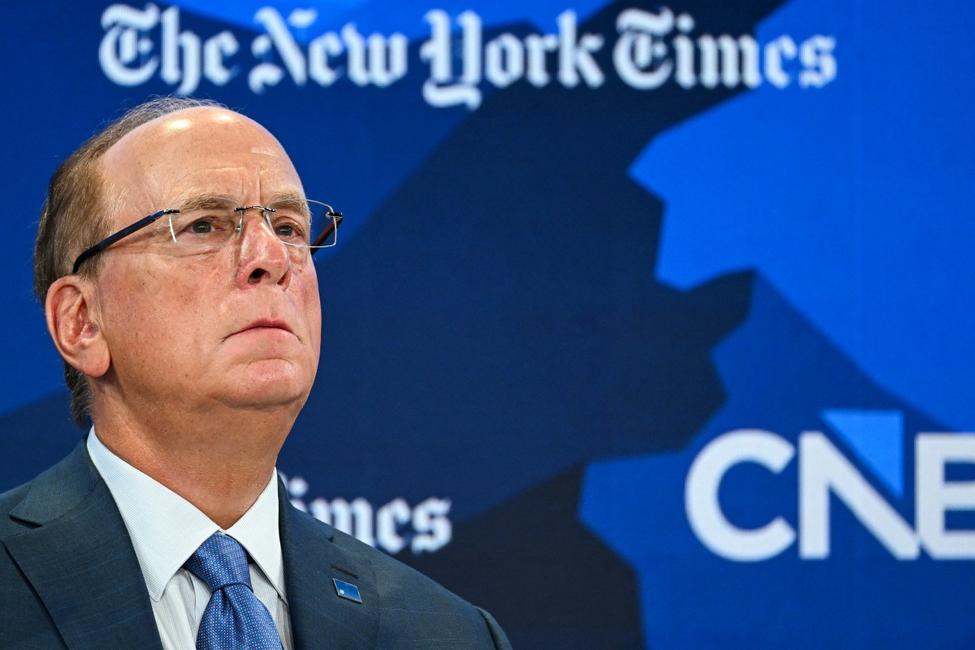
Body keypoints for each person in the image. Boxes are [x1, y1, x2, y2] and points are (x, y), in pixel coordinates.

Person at [0, 97, 511, 649]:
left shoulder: (447, 634)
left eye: (290, 227)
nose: (271, 255)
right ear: (82, 323)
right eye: (202, 225)